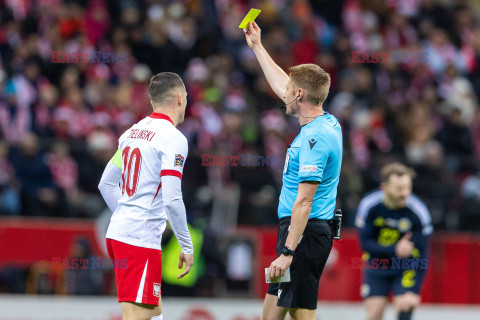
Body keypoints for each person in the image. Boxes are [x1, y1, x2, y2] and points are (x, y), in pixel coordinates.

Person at [244, 22, 343, 320]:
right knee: (279, 314)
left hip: (303, 233)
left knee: (295, 314)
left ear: (299, 94)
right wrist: (258, 47)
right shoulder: (326, 122)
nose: (281, 92)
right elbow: (282, 84)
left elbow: (304, 201)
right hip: (304, 231)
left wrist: (287, 253)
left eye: (288, 89)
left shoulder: (314, 140)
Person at [98, 72, 194, 320]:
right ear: (179, 98)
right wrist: (186, 244)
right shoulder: (173, 138)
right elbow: (172, 198)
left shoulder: (131, 133)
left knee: (154, 312)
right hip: (138, 240)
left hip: (122, 234)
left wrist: (125, 214)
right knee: (137, 316)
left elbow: (106, 183)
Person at [355, 163, 433, 320]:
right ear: (384, 187)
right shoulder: (368, 206)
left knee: (405, 310)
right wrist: (394, 249)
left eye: (407, 188)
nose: (405, 193)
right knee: (374, 314)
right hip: (377, 265)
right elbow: (365, 245)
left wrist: (415, 291)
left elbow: (423, 254)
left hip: (406, 267)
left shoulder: (419, 211)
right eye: (399, 189)